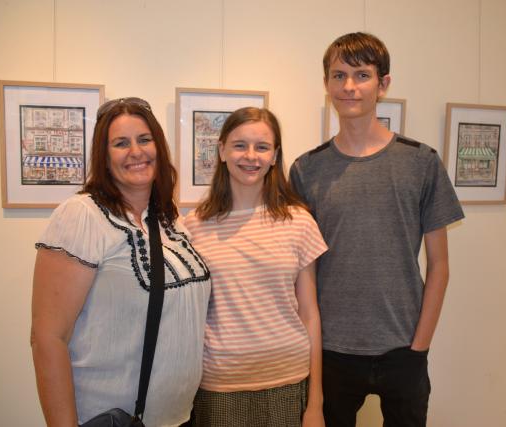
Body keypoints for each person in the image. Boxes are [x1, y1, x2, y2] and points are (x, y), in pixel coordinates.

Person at [289, 33, 465, 427]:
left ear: (383, 84)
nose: (349, 86)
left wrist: (419, 346)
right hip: (330, 352)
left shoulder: (421, 162)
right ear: (326, 84)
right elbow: (303, 270)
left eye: (362, 75)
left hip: (403, 348)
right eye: (339, 75)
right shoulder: (306, 169)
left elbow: (439, 265)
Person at [31, 97, 211, 427]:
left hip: (179, 418)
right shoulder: (81, 216)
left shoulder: (169, 219)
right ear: (104, 156)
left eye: (144, 139)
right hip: (112, 417)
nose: (136, 152)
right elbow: (47, 338)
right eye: (121, 143)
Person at [184, 107, 327, 427]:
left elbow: (310, 313)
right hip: (219, 386)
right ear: (222, 150)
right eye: (240, 145)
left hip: (288, 381)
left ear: (274, 156)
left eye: (262, 147)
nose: (251, 156)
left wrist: (315, 402)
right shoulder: (194, 226)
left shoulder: (299, 222)